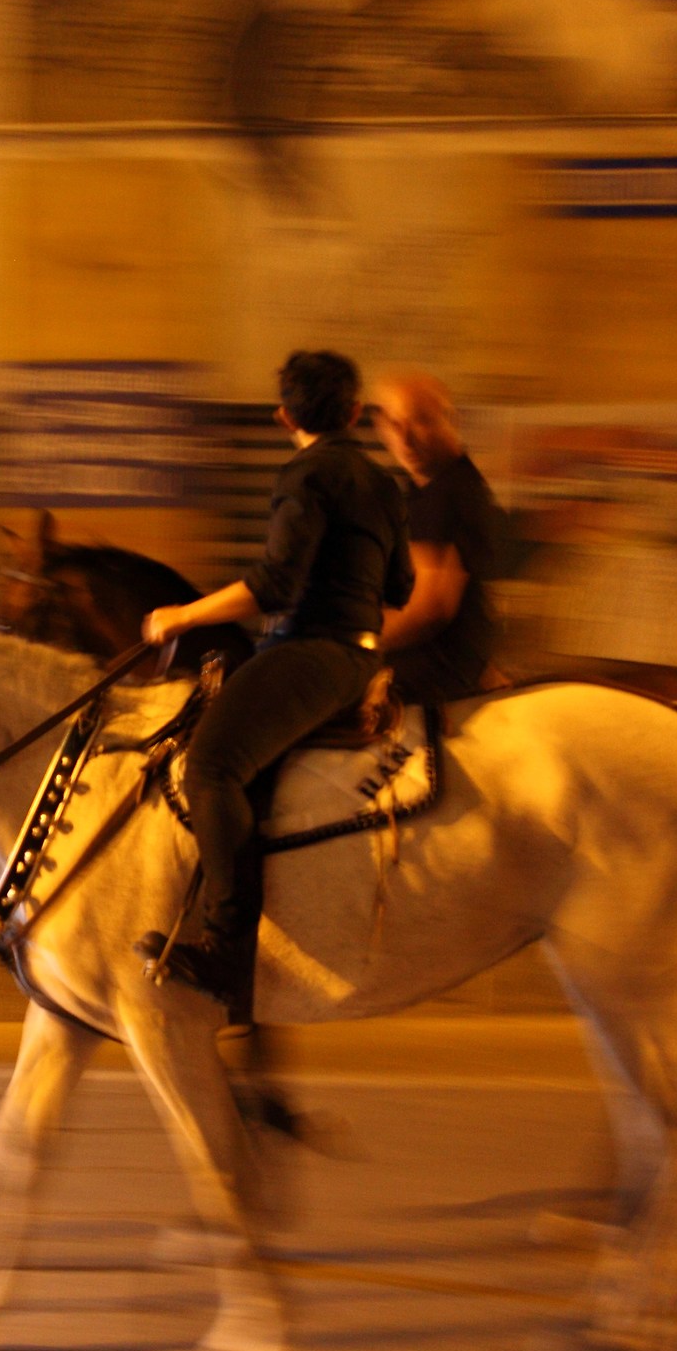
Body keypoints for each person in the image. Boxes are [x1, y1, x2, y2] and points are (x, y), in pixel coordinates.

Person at [141, 350, 413, 999]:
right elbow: (399, 585)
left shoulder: (305, 473)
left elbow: (275, 584)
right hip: (360, 652)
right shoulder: (382, 482)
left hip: (313, 653)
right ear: (353, 412)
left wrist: (180, 617)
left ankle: (227, 949)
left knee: (210, 767)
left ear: (283, 414)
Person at [371, 372, 507, 702]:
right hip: (445, 659)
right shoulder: (426, 488)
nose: (406, 439)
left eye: (420, 422)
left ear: (450, 420)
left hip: (434, 667)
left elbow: (430, 609)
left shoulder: (448, 493)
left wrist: (352, 639)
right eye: (394, 424)